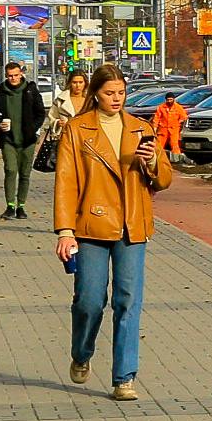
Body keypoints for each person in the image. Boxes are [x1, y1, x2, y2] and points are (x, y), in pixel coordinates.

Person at [52, 64, 173, 403]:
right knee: (90, 301)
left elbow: (162, 180)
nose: (116, 99)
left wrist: (152, 161)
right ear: (95, 93)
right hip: (91, 225)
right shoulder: (78, 129)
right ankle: (82, 351)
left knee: (128, 301)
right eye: (109, 93)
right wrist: (65, 231)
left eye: (121, 92)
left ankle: (124, 377)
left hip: (133, 226)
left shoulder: (140, 128)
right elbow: (66, 182)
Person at [0, 63, 50, 220]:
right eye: (10, 75)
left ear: (21, 74)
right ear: (6, 76)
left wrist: (33, 128)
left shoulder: (30, 90)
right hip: (8, 139)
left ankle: (21, 206)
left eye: (16, 75)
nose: (13, 78)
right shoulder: (1, 93)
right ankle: (10, 206)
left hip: (28, 140)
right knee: (10, 170)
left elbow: (40, 113)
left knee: (24, 174)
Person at [151, 88, 189, 162]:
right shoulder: (161, 107)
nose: (169, 101)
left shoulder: (178, 107)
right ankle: (156, 159)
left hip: (174, 129)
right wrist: (154, 127)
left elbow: (184, 117)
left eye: (171, 99)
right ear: (166, 100)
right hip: (163, 129)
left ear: (173, 99)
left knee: (174, 145)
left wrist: (179, 122)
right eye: (168, 100)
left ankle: (177, 159)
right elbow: (156, 118)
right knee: (158, 145)